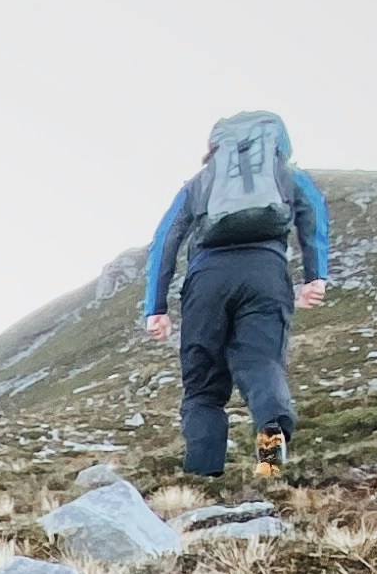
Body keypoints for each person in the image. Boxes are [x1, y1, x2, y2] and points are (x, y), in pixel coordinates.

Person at [140, 113, 331, 486]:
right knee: (261, 363)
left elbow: (165, 239)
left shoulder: (199, 182)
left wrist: (156, 307)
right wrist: (315, 276)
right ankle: (271, 444)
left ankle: (202, 476)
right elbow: (315, 217)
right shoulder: (287, 174)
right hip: (265, 273)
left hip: (207, 281)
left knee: (203, 386)